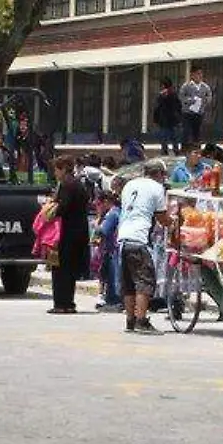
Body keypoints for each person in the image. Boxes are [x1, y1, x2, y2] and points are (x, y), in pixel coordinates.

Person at [117, 162, 172, 333]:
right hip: (139, 238)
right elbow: (162, 218)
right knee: (145, 281)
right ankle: (141, 320)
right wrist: (174, 222)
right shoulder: (156, 188)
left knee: (129, 282)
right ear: (160, 174)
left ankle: (130, 320)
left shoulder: (130, 185)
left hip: (123, 237)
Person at [46, 155, 90, 315]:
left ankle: (60, 303)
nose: (55, 173)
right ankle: (69, 303)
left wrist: (50, 208)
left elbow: (63, 208)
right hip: (79, 232)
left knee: (59, 269)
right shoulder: (79, 184)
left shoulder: (67, 185)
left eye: (57, 170)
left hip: (65, 233)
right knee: (70, 270)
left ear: (64, 169)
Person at [94, 189, 123, 312]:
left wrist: (96, 225)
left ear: (106, 202)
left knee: (112, 276)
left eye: (98, 204)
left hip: (112, 249)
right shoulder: (118, 212)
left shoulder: (112, 214)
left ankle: (114, 301)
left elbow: (103, 231)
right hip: (113, 248)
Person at [179, 66, 213, 146]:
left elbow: (209, 97)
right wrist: (191, 100)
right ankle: (185, 148)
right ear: (192, 75)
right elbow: (181, 97)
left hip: (199, 113)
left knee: (197, 132)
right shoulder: (186, 86)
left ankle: (197, 148)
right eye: (198, 74)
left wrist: (205, 100)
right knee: (186, 131)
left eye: (201, 74)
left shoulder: (205, 87)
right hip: (187, 113)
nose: (200, 76)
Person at [151, 78, 180, 155]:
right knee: (168, 137)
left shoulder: (171, 94)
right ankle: (168, 150)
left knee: (170, 136)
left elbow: (177, 106)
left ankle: (171, 150)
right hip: (167, 120)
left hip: (169, 119)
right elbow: (157, 108)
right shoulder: (164, 95)